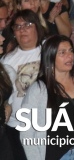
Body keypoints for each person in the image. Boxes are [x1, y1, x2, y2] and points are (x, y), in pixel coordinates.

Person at [20, 35, 74, 160]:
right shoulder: (38, 90)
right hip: (56, 154)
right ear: (50, 57)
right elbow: (26, 132)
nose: (69, 56)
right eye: (62, 52)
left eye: (71, 50)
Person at [2, 9, 46, 159]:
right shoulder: (7, 60)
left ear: (37, 27)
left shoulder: (48, 52)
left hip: (45, 123)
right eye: (18, 26)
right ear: (13, 32)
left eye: (27, 24)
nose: (22, 30)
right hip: (16, 125)